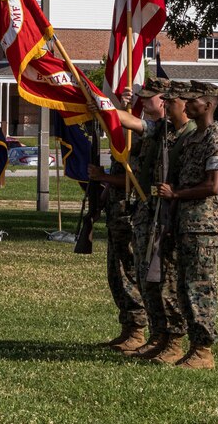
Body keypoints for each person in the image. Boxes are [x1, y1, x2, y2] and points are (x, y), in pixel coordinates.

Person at [109, 79, 195, 364]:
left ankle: (174, 340)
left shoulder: (189, 134)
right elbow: (135, 125)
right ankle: (158, 336)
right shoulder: (162, 130)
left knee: (169, 280)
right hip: (150, 212)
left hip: (172, 214)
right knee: (150, 278)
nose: (165, 105)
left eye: (168, 100)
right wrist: (103, 105)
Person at [155, 80, 218, 369]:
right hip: (185, 221)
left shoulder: (215, 138)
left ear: (208, 104)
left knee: (200, 286)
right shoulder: (192, 138)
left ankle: (203, 349)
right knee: (183, 286)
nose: (186, 104)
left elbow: (213, 186)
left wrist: (176, 195)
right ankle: (190, 347)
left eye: (193, 100)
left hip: (204, 224)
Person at [86, 85, 149, 354]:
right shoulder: (123, 142)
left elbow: (134, 180)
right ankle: (128, 327)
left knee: (129, 272)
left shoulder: (141, 140)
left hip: (131, 214)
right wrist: (102, 197)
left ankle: (138, 329)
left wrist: (102, 179)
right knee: (116, 274)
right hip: (116, 214)